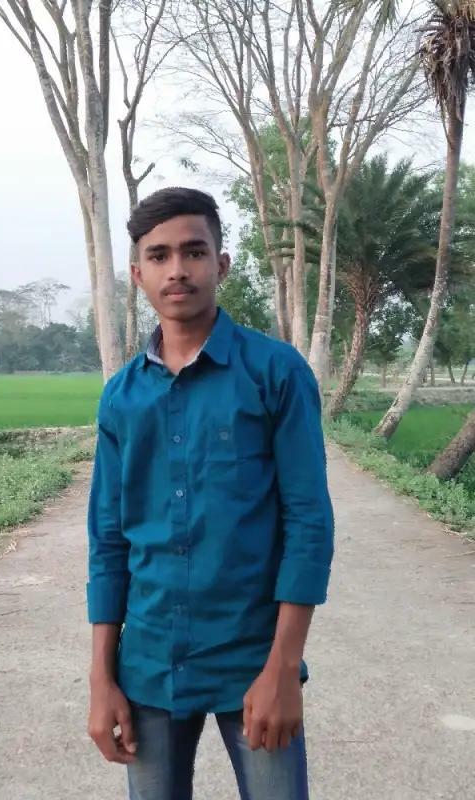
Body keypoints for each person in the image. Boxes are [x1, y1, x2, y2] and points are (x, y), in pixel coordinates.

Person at [86, 187, 334, 800]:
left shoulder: (274, 372)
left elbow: (308, 521)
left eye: (194, 251)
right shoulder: (122, 396)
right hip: (147, 665)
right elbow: (109, 541)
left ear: (220, 264)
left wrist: (283, 668)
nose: (178, 269)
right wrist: (101, 678)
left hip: (251, 658)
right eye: (159, 255)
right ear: (138, 275)